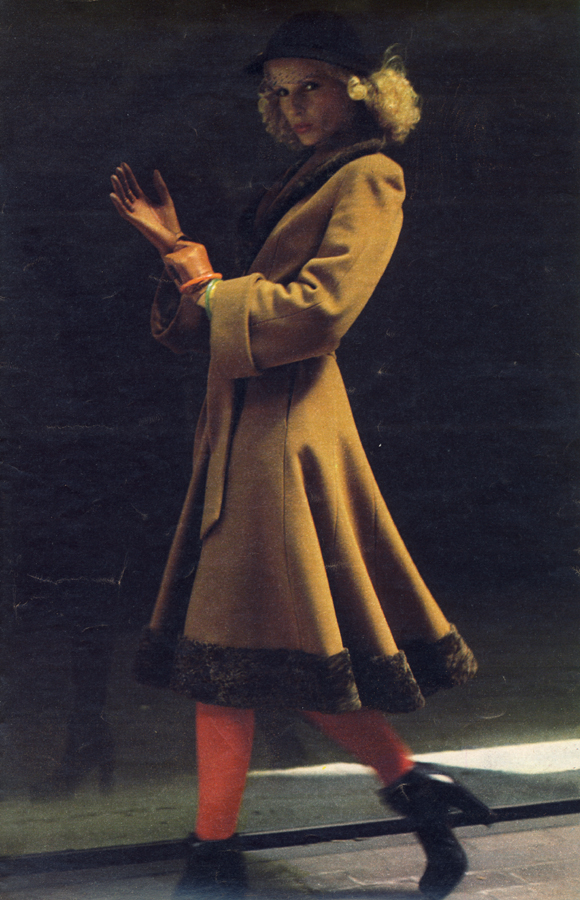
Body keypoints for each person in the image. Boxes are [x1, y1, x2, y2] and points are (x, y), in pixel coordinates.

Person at [110, 12, 493, 899]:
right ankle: (412, 790)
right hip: (252, 427)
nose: (293, 105)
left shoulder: (370, 175)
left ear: (361, 91)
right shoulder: (307, 177)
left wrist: (196, 271)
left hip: (285, 434)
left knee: (232, 654)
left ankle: (214, 863)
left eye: (310, 86)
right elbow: (222, 319)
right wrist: (179, 260)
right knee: (269, 652)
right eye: (280, 92)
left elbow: (320, 309)